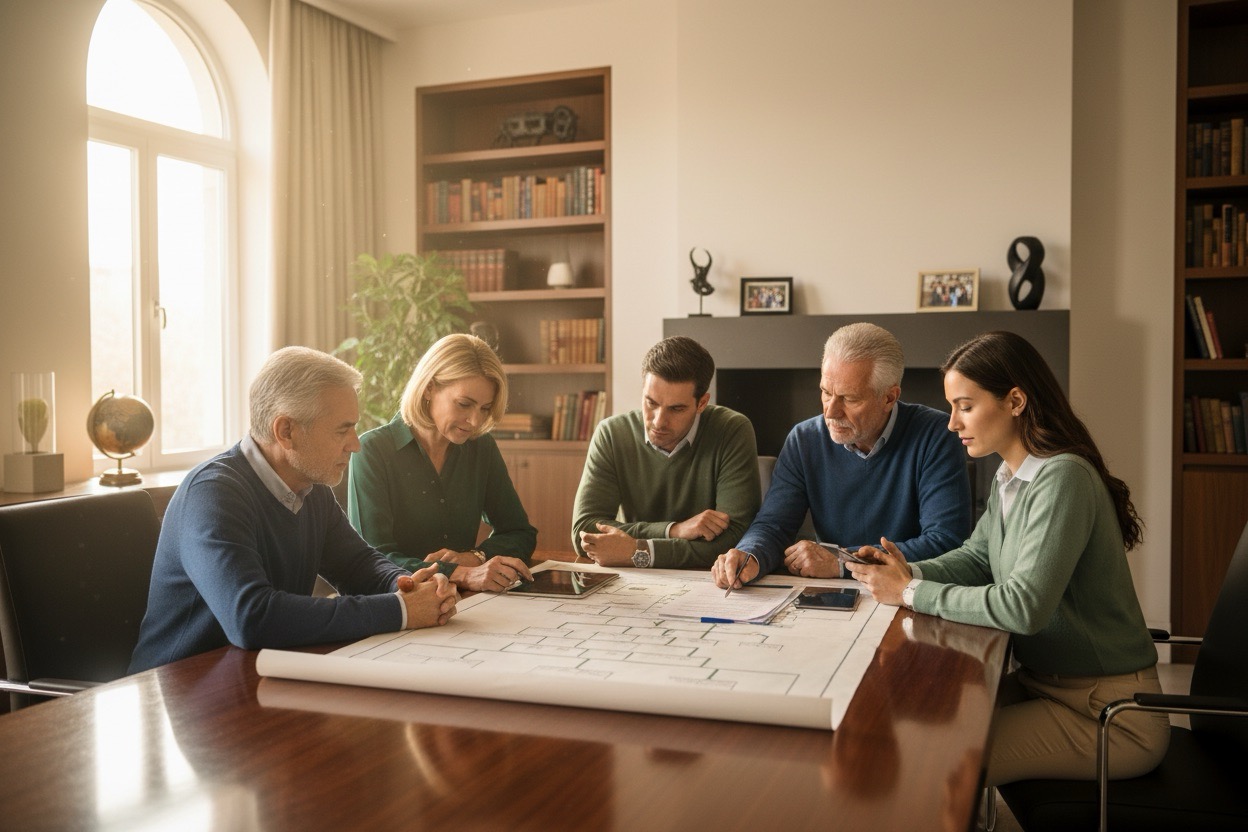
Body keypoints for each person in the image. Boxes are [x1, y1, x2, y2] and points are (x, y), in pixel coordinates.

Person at [846, 330, 1169, 786]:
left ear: (1015, 400)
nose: (952, 424)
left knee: (938, 761)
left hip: (1108, 715)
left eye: (965, 406)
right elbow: (978, 557)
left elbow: (1024, 606)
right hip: (1046, 688)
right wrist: (905, 570)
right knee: (921, 716)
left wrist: (912, 591)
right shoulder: (1011, 474)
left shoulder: (1062, 478)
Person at [129, 347, 457, 673]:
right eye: (342, 430)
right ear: (286, 431)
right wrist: (401, 609)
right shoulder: (213, 493)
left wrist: (408, 585)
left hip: (256, 675)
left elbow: (357, 565)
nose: (355, 444)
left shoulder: (308, 485)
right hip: (173, 694)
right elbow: (252, 617)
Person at [712, 322, 970, 590]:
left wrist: (841, 561)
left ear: (889, 397)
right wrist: (749, 555)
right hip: (833, 592)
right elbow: (773, 524)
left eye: (849, 399)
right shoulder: (804, 439)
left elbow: (946, 541)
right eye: (826, 392)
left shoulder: (937, 434)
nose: (830, 412)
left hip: (911, 591)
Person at [348, 333, 536, 593]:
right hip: (396, 603)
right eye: (464, 404)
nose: (474, 421)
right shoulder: (372, 451)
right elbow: (373, 559)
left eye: (484, 408)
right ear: (428, 388)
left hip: (462, 603)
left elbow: (520, 533)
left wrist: (475, 557)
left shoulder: (481, 447)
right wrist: (460, 573)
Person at [572, 335, 761, 569]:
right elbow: (584, 532)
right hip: (634, 584)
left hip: (708, 584)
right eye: (651, 403)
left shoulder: (731, 430)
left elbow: (735, 541)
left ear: (702, 403)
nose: (659, 422)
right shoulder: (611, 434)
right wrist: (675, 530)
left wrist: (638, 551)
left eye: (676, 409)